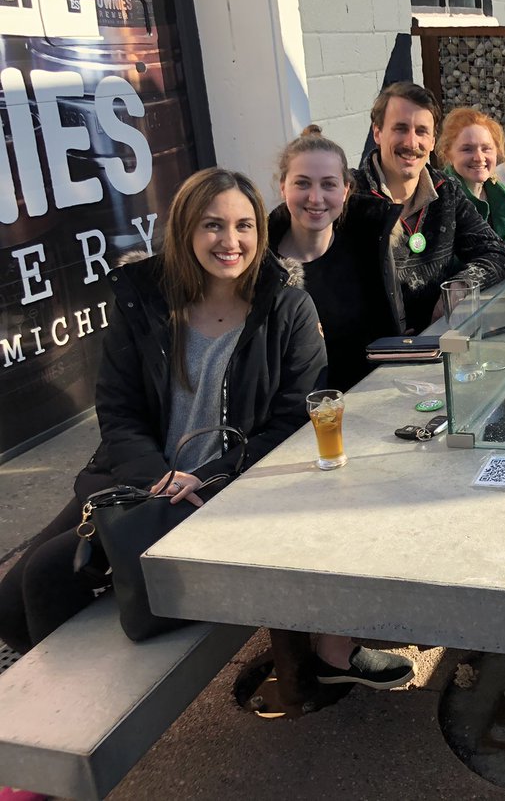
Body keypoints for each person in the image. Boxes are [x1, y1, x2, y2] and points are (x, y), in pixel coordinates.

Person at [0, 168, 329, 655]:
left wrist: (208, 477)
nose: (230, 240)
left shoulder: (287, 310)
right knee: (8, 603)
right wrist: (158, 479)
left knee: (50, 575)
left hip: (221, 484)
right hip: (140, 476)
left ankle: (88, 708)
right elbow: (118, 410)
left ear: (260, 233)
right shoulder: (146, 302)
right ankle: (58, 694)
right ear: (185, 230)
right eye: (212, 225)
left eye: (244, 226)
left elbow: (291, 424)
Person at [349, 82, 505, 334]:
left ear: (433, 140)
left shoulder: (445, 190)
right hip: (370, 360)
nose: (411, 141)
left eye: (421, 131)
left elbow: (498, 253)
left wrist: (460, 285)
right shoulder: (349, 195)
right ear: (377, 132)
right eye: (400, 128)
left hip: (437, 345)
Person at [268, 125, 393, 391]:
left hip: (370, 405)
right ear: (282, 187)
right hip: (296, 424)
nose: (316, 198)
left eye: (329, 184)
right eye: (302, 183)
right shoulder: (260, 266)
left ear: (346, 189)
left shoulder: (370, 247)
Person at [436, 107, 505, 242]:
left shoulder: (500, 193)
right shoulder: (440, 202)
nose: (479, 157)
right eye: (467, 149)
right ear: (449, 155)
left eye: (486, 149)